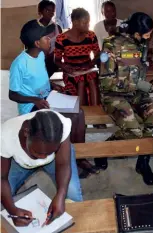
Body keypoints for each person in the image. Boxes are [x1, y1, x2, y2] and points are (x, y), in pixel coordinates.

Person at [9, 19, 97, 179]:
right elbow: (12, 94)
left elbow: (39, 79)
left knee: (79, 112)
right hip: (31, 106)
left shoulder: (41, 55)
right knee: (68, 118)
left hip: (47, 97)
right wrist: (35, 100)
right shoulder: (19, 64)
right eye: (46, 38)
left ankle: (81, 157)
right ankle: (70, 160)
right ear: (37, 42)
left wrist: (51, 85)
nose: (50, 39)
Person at [98, 12, 153, 185]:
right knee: (134, 131)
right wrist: (137, 85)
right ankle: (103, 150)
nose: (150, 36)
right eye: (147, 33)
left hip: (137, 96)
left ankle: (143, 162)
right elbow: (105, 82)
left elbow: (144, 62)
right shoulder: (111, 44)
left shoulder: (142, 44)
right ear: (136, 32)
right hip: (114, 96)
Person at [1, 110, 83, 227]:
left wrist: (61, 194)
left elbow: (63, 164)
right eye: (38, 152)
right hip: (20, 163)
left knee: (73, 194)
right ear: (26, 133)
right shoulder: (5, 136)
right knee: (4, 198)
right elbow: (1, 178)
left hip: (56, 161)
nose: (43, 158)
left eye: (50, 152)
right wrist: (12, 211)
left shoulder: (61, 126)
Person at [55, 8, 101, 106]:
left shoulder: (91, 36)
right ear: (75, 23)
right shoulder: (61, 39)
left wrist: (91, 64)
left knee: (91, 77)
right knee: (81, 80)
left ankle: (96, 113)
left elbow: (98, 55)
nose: (88, 25)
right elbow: (57, 60)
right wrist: (66, 67)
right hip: (71, 72)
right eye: (85, 23)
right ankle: (82, 113)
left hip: (87, 68)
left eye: (88, 22)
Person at [37, 0, 62, 77]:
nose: (51, 13)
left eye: (52, 11)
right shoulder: (33, 27)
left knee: (51, 85)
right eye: (47, 10)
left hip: (52, 63)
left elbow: (60, 47)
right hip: (37, 64)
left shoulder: (57, 28)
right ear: (40, 11)